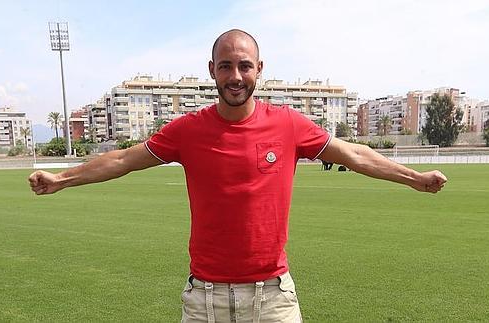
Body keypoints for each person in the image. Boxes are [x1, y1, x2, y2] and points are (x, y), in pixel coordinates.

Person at [29, 29, 447, 323]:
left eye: (244, 66)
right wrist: (61, 179)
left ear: (259, 68)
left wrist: (413, 178)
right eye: (225, 66)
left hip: (273, 298)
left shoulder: (287, 125)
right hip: (204, 299)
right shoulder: (187, 131)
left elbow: (353, 154)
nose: (235, 76)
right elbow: (122, 160)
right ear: (212, 69)